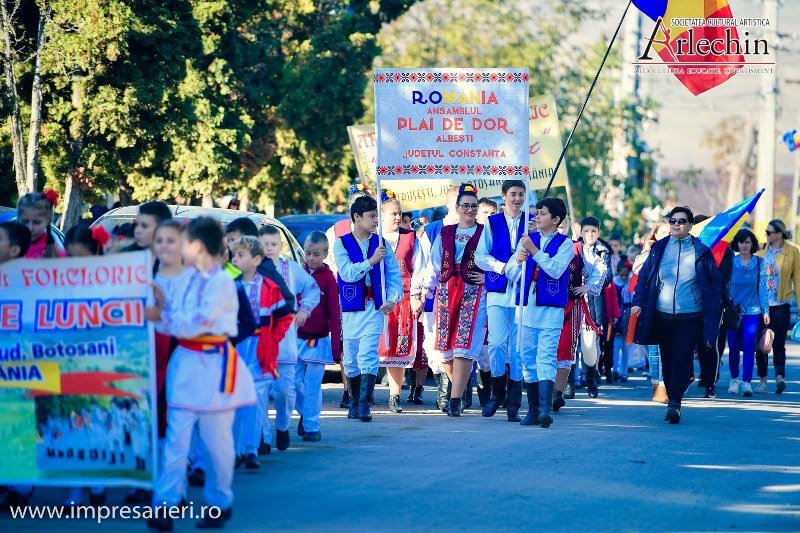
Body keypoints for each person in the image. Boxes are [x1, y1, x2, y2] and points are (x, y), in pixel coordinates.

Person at [146, 217, 256, 530]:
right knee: (176, 438)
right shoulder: (187, 278)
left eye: (183, 242)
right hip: (185, 364)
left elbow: (198, 321)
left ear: (197, 246)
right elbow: (174, 313)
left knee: (216, 445)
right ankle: (166, 503)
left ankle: (220, 501)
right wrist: (159, 311)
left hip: (214, 368)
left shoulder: (221, 281)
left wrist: (160, 318)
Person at [632, 206, 722, 424]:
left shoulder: (701, 250)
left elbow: (715, 282)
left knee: (682, 358)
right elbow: (644, 278)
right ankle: (673, 396)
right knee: (668, 360)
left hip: (690, 316)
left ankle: (675, 404)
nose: (676, 225)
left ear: (690, 225)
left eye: (681, 221)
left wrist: (714, 307)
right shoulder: (659, 248)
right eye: (672, 221)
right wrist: (638, 303)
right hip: (662, 315)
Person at [505, 198, 574, 428]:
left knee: (546, 356)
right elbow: (510, 273)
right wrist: (519, 259)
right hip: (526, 307)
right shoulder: (527, 240)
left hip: (551, 308)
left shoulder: (565, 244)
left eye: (542, 214)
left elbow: (555, 270)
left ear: (555, 220)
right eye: (537, 213)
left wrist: (533, 251)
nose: (537, 217)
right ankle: (533, 409)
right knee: (527, 357)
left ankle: (546, 409)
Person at [334, 195, 403, 422]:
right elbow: (347, 273)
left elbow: (393, 275)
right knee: (351, 358)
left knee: (368, 354)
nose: (376, 221)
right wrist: (371, 261)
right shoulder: (341, 243)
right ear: (357, 217)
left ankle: (365, 404)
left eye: (376, 216)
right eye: (372, 216)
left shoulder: (381, 244)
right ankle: (353, 401)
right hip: (351, 308)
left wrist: (393, 299)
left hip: (375, 306)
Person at [229, 235, 293, 468]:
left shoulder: (270, 286)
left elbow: (284, 318)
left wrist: (272, 340)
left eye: (240, 255)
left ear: (256, 259)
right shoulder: (229, 285)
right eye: (234, 254)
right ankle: (235, 451)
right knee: (235, 401)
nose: (235, 259)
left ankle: (251, 449)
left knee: (257, 401)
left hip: (261, 351)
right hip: (236, 348)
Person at [424, 184, 487, 417]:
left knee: (463, 345)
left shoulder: (484, 232)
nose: (469, 210)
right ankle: (458, 389)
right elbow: (434, 263)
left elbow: (493, 259)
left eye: (473, 206)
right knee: (446, 348)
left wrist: (488, 278)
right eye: (465, 206)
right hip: (446, 289)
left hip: (473, 289)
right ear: (457, 208)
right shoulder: (446, 232)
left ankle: (455, 399)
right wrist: (426, 292)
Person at [259, 225, 320, 450]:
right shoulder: (253, 270)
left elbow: (313, 288)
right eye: (264, 244)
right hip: (259, 341)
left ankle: (283, 425)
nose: (269, 249)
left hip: (285, 340)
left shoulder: (291, 269)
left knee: (285, 390)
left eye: (273, 244)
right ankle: (263, 438)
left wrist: (304, 310)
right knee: (260, 392)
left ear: (281, 246)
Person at [474, 180, 526, 421]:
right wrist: (503, 267)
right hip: (497, 289)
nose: (517, 199)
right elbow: (480, 256)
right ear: (504, 196)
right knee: (496, 344)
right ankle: (496, 394)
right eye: (513, 194)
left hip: (523, 293)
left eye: (521, 194)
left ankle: (514, 402)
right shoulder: (492, 223)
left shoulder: (532, 222)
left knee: (516, 349)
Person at [379, 191, 428, 412]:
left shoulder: (409, 237)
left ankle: (394, 396)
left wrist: (417, 295)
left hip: (404, 297)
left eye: (400, 214)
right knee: (375, 346)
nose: (398, 218)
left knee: (398, 349)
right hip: (377, 298)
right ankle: (361, 395)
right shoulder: (374, 238)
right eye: (393, 214)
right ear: (381, 215)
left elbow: (419, 267)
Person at [326, 184, 372, 408]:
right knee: (349, 346)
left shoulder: (375, 235)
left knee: (367, 347)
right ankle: (348, 390)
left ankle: (362, 397)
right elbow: (331, 263)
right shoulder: (337, 231)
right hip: (345, 296)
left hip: (370, 298)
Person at [296, 231, 342, 440]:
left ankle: (312, 426)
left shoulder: (329, 279)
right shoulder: (298, 275)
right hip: (296, 339)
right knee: (294, 383)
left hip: (318, 340)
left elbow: (334, 312)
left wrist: (336, 346)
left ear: (324, 255)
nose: (311, 258)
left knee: (313, 385)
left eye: (316, 254)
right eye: (308, 253)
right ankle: (305, 412)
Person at [421, 186, 460, 412]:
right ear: (448, 203)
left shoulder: (475, 230)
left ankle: (457, 393)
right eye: (456, 201)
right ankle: (445, 391)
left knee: (460, 344)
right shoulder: (434, 230)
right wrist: (421, 292)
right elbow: (424, 263)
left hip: (461, 293)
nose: (460, 206)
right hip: (435, 295)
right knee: (435, 344)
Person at [756, 219, 799, 394]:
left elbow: (797, 280)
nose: (766, 235)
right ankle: (763, 380)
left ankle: (780, 377)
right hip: (762, 304)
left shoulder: (792, 252)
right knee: (761, 344)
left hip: (781, 303)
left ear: (779, 234)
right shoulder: (760, 252)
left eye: (769, 232)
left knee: (779, 343)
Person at [727, 229, 769, 397]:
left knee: (749, 347)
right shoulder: (730, 262)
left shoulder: (759, 263)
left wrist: (765, 311)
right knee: (733, 348)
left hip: (753, 312)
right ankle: (734, 379)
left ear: (752, 245)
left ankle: (746, 382)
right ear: (736, 244)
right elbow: (726, 287)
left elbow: (763, 290)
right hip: (733, 313)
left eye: (747, 242)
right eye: (741, 242)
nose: (743, 245)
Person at [632, 221, 670, 402]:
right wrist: (647, 249)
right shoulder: (650, 252)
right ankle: (657, 385)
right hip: (650, 306)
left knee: (667, 348)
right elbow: (638, 270)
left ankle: (665, 385)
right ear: (655, 234)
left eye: (668, 232)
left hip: (671, 306)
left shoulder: (675, 251)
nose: (665, 235)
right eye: (661, 232)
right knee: (653, 350)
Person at [576, 217, 613, 397]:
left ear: (598, 232)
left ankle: (590, 375)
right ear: (581, 232)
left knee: (589, 346)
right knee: (568, 344)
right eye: (586, 231)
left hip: (592, 303)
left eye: (593, 231)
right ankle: (567, 382)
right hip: (573, 300)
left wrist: (591, 280)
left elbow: (608, 278)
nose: (590, 234)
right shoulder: (574, 248)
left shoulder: (603, 251)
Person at [16, 190, 65, 258]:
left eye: (36, 222)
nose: (30, 228)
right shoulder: (7, 247)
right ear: (19, 219)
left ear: (47, 221)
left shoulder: (57, 255)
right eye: (25, 222)